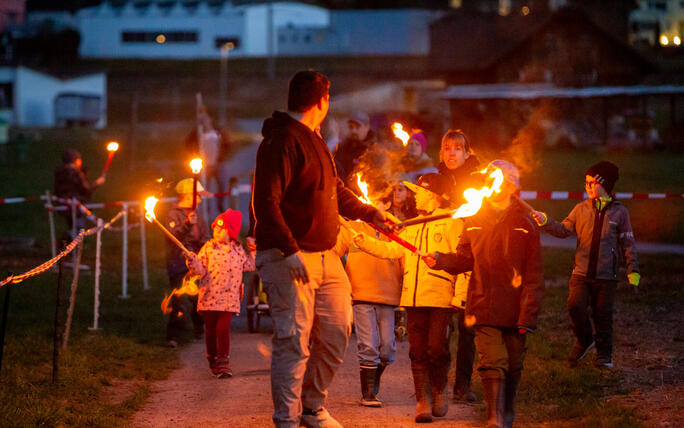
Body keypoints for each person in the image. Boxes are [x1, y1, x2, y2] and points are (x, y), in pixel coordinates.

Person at [251, 70, 389, 428]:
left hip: (328, 257)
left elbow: (338, 192)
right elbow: (266, 203)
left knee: (336, 330)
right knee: (293, 340)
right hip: (289, 257)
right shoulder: (281, 141)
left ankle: (312, 407)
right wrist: (290, 250)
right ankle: (287, 419)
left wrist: (373, 213)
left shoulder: (316, 140)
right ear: (322, 101)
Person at [426, 160, 544, 428]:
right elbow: (465, 259)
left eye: (505, 179)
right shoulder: (475, 216)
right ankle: (493, 417)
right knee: (492, 361)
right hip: (483, 302)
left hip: (517, 308)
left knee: (513, 366)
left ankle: (507, 409)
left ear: (513, 185)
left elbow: (535, 274)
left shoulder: (526, 223)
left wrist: (529, 313)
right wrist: (441, 259)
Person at [353, 173, 468, 423]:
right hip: (413, 298)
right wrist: (366, 244)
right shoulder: (412, 224)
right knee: (417, 351)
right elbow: (393, 248)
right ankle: (422, 400)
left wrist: (459, 296)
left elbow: (463, 263)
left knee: (437, 348)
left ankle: (439, 388)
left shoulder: (452, 222)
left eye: (422, 192)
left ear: (436, 196)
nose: (417, 196)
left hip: (440, 298)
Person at [530, 161, 639, 369]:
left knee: (603, 316)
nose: (587, 187)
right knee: (575, 306)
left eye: (592, 183)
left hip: (606, 277)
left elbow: (628, 243)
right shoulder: (580, 209)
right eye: (586, 183)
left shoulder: (619, 213)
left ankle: (604, 355)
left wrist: (633, 271)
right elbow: (563, 230)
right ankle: (584, 339)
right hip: (580, 274)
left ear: (603, 184)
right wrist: (545, 221)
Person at [333, 216, 402, 408]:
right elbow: (334, 253)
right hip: (361, 294)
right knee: (368, 345)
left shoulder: (396, 229)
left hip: (389, 296)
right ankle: (369, 393)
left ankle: (374, 378)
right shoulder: (352, 228)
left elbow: (404, 260)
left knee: (388, 349)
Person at [435, 129, 481, 403]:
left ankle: (462, 385)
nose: (452, 153)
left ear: (466, 153)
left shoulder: (478, 183)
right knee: (440, 327)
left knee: (467, 328)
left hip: (467, 261)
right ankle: (437, 381)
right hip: (441, 259)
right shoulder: (436, 181)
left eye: (457, 148)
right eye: (447, 148)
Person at [185, 209, 256, 378]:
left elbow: (249, 266)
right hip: (210, 296)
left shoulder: (237, 250)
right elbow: (200, 271)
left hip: (229, 299)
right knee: (210, 330)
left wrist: (253, 251)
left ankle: (223, 361)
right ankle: (212, 357)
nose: (216, 231)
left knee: (223, 329)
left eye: (221, 228)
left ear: (231, 232)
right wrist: (193, 262)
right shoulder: (209, 248)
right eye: (215, 228)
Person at [164, 178, 211, 348]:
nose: (199, 199)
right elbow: (173, 236)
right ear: (187, 196)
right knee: (180, 299)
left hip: (197, 265)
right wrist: (186, 225)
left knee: (199, 298)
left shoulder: (198, 216)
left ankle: (200, 329)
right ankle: (174, 336)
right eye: (197, 196)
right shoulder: (173, 214)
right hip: (179, 264)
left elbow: (205, 237)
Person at [54, 149, 105, 238]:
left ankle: (68, 246)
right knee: (78, 229)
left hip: (64, 204)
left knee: (72, 226)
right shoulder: (76, 172)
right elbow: (85, 189)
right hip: (77, 205)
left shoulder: (59, 172)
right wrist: (97, 184)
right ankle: (66, 244)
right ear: (76, 160)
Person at [332, 110, 375, 187]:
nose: (353, 130)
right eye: (351, 127)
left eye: (358, 126)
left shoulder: (376, 149)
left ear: (367, 126)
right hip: (347, 195)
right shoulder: (343, 148)